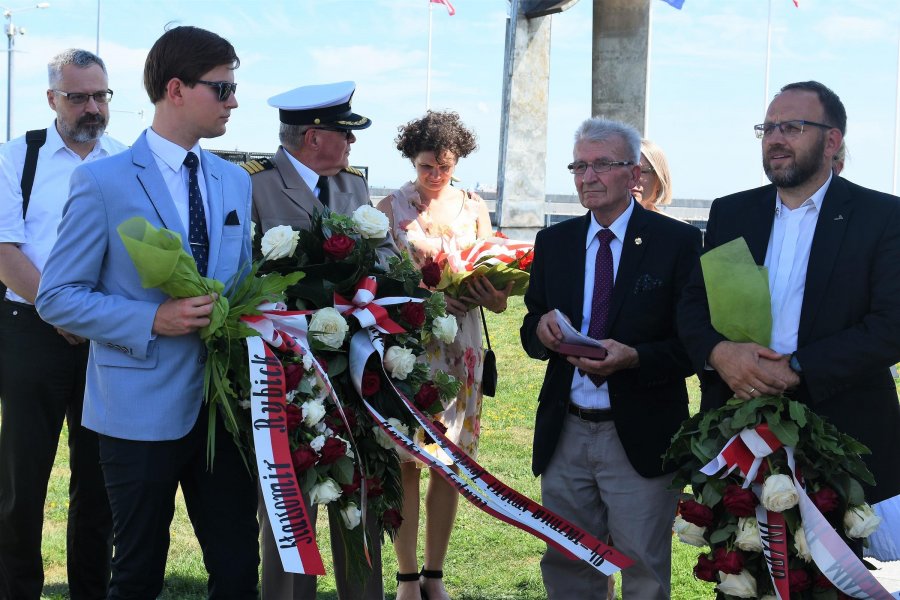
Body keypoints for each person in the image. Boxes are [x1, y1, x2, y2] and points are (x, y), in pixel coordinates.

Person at [35, 26, 259, 599]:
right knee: (137, 574)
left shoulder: (234, 181)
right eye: (223, 88)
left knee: (237, 570)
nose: (234, 101)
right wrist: (150, 321)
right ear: (177, 89)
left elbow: (241, 283)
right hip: (135, 412)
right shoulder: (102, 181)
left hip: (222, 411)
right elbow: (57, 296)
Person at [677, 81, 900, 508]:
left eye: (793, 127)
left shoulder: (884, 217)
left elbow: (891, 325)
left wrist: (800, 368)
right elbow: (692, 304)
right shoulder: (732, 211)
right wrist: (720, 353)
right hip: (737, 430)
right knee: (738, 569)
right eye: (769, 128)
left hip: (841, 436)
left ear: (832, 140)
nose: (776, 139)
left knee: (833, 573)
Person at [520, 117, 701, 599]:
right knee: (568, 562)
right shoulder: (553, 243)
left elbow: (694, 345)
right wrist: (539, 331)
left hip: (639, 435)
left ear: (635, 174)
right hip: (566, 432)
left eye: (602, 164)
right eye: (579, 165)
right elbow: (530, 327)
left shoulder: (676, 243)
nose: (587, 176)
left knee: (643, 565)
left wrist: (636, 358)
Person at [246, 81, 388, 600]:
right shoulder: (256, 187)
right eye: (343, 135)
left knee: (360, 500)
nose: (351, 146)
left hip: (355, 369)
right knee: (292, 504)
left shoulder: (352, 187)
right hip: (287, 372)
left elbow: (384, 259)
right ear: (312, 136)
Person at [0, 48, 126, 600]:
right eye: (78, 97)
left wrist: (93, 317)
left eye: (101, 96)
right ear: (52, 98)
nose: (92, 108)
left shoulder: (124, 161)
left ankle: (90, 592)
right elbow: (5, 252)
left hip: (102, 339)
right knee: (21, 483)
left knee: (98, 485)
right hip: (29, 332)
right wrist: (60, 310)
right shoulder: (15, 159)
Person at [375, 110, 512, 600]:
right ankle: (407, 576)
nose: (436, 175)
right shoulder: (390, 207)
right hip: (410, 345)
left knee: (449, 463)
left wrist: (495, 296)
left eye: (445, 166)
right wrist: (423, 298)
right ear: (412, 159)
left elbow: (493, 277)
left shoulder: (475, 207)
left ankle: (435, 574)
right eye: (428, 165)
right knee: (407, 460)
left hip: (463, 346)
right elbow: (379, 284)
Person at [630, 138, 673, 213]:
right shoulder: (605, 223)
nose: (632, 178)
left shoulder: (673, 225)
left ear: (660, 179)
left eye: (642, 171)